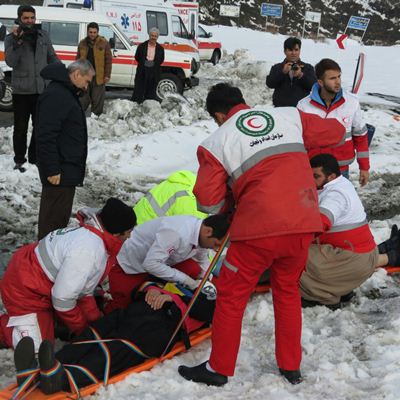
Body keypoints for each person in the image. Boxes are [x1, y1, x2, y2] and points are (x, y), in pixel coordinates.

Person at [177, 83, 346, 386]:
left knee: (231, 296)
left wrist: (233, 192)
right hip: (304, 221)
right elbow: (335, 132)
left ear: (218, 115)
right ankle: (290, 366)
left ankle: (219, 369)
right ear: (243, 102)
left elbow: (207, 201)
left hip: (258, 229)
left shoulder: (216, 142)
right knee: (288, 291)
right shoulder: (288, 116)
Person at [12, 280, 217, 395]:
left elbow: (207, 312)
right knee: (93, 334)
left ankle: (63, 379)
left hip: (158, 328)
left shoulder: (205, 303)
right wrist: (153, 290)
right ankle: (44, 367)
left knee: (114, 350)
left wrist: (172, 298)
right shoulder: (177, 282)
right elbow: (141, 287)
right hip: (132, 313)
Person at [0, 198, 137, 352]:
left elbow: (83, 292)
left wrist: (95, 321)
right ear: (118, 232)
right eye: (130, 231)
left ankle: (46, 320)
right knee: (39, 349)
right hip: (25, 288)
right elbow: (62, 299)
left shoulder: (95, 237)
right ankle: (8, 330)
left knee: (68, 320)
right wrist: (82, 330)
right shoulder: (88, 250)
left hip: (36, 278)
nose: (130, 236)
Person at [300, 154, 400, 308]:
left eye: (316, 176)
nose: (311, 180)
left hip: (352, 260)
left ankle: (323, 296)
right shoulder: (340, 184)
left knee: (291, 257)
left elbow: (321, 223)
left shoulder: (335, 195)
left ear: (331, 176)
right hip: (357, 255)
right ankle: (339, 286)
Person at [106, 214, 229, 311]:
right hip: (131, 265)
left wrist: (206, 280)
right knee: (123, 308)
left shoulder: (201, 235)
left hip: (163, 261)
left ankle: (164, 288)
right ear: (208, 231)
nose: (215, 249)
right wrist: (186, 280)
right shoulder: (177, 233)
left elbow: (202, 259)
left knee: (194, 269)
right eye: (216, 244)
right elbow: (151, 264)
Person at [36, 59, 95, 240]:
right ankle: (44, 258)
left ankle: (48, 254)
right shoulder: (58, 95)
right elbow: (45, 135)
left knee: (58, 218)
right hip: (59, 171)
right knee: (52, 221)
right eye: (87, 81)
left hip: (65, 169)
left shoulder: (65, 92)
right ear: (77, 74)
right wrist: (52, 168)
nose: (86, 87)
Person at [297, 58, 370, 186]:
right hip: (313, 170)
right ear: (320, 82)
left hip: (341, 169)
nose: (338, 82)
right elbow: (298, 142)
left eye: (339, 77)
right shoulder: (304, 106)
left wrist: (364, 167)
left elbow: (361, 136)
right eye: (332, 78)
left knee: (340, 203)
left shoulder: (351, 102)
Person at [4, 5, 58, 172]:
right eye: (26, 18)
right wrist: (18, 41)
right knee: (20, 128)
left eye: (32, 18)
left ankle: (34, 157)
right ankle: (20, 159)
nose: (29, 21)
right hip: (21, 91)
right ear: (20, 18)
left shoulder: (43, 35)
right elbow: (11, 62)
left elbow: (51, 56)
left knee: (40, 126)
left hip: (41, 89)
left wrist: (62, 72)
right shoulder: (10, 39)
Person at [133, 170, 207, 225]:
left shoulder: (186, 183)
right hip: (142, 233)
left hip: (133, 222)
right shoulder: (191, 201)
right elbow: (188, 234)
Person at [266, 37, 316, 107]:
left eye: (296, 50)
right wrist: (282, 72)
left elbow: (314, 86)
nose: (293, 53)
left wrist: (301, 75)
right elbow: (270, 84)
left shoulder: (308, 67)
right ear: (285, 51)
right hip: (280, 108)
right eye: (290, 50)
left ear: (299, 51)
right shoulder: (277, 67)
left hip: (301, 109)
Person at [77, 22, 112, 115]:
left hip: (98, 76)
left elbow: (108, 60)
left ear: (97, 32)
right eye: (90, 32)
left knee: (97, 99)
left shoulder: (104, 43)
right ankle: (78, 116)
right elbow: (77, 60)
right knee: (83, 98)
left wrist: (107, 75)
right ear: (87, 32)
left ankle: (96, 117)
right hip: (85, 76)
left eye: (94, 32)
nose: (92, 34)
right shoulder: (82, 43)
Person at [131, 28, 165, 104]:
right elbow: (137, 57)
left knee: (151, 91)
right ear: (149, 36)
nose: (153, 37)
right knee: (139, 90)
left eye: (155, 36)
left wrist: (152, 64)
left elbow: (161, 60)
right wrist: (145, 63)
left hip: (154, 71)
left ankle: (148, 108)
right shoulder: (141, 46)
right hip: (142, 70)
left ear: (157, 37)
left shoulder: (161, 49)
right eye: (152, 35)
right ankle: (137, 106)